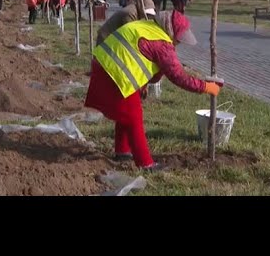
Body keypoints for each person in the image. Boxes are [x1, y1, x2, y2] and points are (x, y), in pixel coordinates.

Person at [84, 10, 222, 171]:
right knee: (133, 116)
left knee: (126, 114)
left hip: (104, 65)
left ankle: (122, 151)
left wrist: (143, 84)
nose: (178, 43)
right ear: (171, 32)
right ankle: (145, 163)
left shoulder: (148, 27)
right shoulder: (162, 44)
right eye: (178, 39)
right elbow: (179, 77)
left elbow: (149, 68)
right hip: (113, 72)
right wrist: (206, 87)